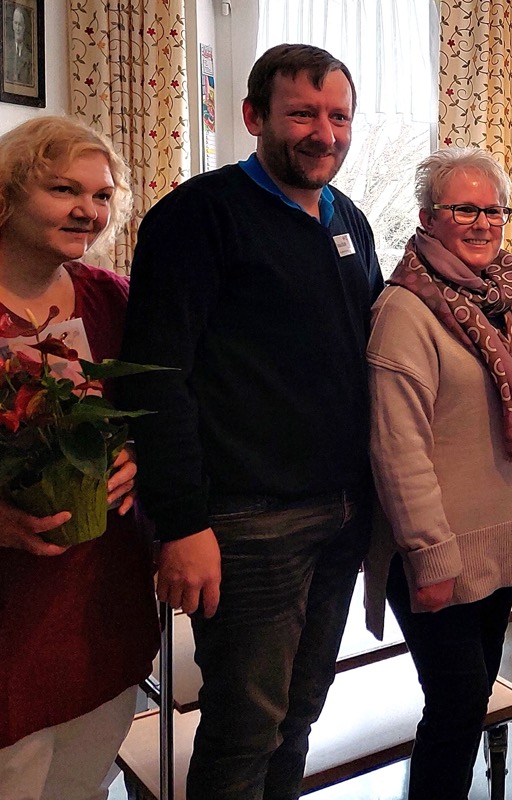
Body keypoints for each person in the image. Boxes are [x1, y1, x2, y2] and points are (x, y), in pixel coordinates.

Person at [119, 44, 382, 800]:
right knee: (244, 733)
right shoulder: (197, 217)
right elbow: (156, 378)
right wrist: (181, 524)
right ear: (253, 116)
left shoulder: (348, 217)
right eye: (303, 114)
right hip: (248, 524)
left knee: (299, 718)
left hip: (340, 514)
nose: (324, 134)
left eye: (339, 117)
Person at [363, 146, 512, 799]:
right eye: (465, 210)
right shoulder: (405, 311)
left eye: (494, 210)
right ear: (427, 217)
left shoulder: (502, 299)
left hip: (497, 542)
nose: (483, 223)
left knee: (470, 703)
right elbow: (398, 449)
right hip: (440, 551)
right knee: (455, 704)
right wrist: (430, 555)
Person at [0, 117, 157, 800]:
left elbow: (153, 411)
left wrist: (139, 456)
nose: (87, 211)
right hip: (10, 607)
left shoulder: (110, 298)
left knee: (84, 781)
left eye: (101, 196)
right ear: (8, 192)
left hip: (99, 596)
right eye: (63, 189)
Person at [5, 5, 32, 86]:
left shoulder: (29, 56)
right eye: (15, 23)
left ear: (24, 27)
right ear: (13, 25)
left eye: (20, 24)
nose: (17, 28)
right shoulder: (6, 51)